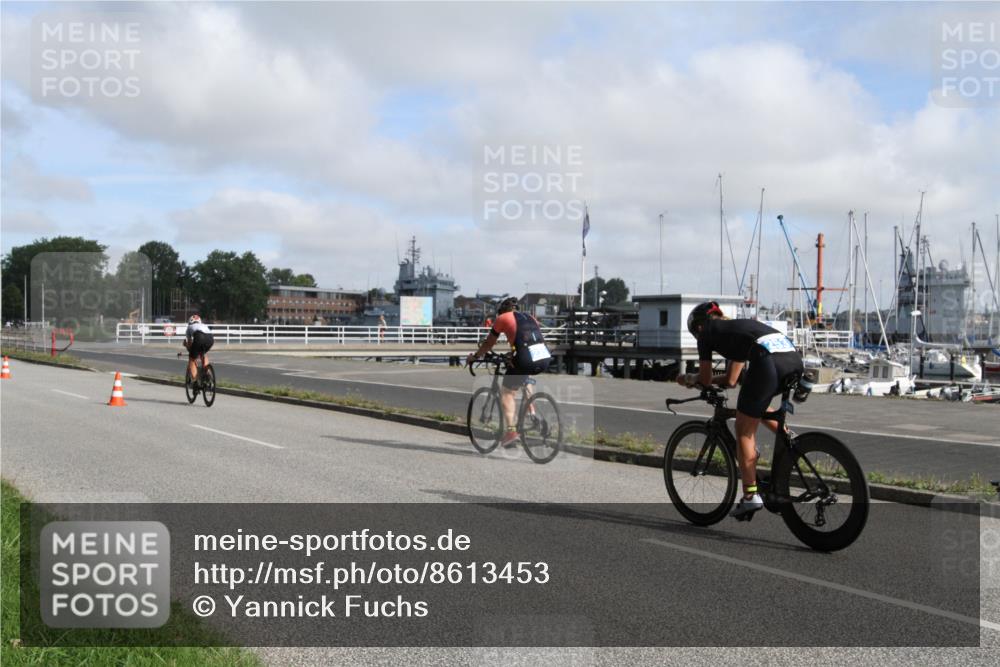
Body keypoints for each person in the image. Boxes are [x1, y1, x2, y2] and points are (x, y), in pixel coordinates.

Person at [679, 301, 803, 520]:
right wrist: (705, 380)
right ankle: (792, 440)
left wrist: (690, 379)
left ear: (698, 327)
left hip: (769, 362)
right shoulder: (737, 329)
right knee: (757, 404)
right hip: (793, 359)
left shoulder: (706, 334)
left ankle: (750, 497)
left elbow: (706, 380)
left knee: (744, 430)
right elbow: (731, 380)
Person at [467, 297, 552, 447]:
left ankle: (511, 431)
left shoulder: (502, 318)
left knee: (507, 392)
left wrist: (475, 357)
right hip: (543, 357)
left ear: (502, 310)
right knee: (524, 378)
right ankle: (532, 415)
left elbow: (489, 343)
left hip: (525, 357)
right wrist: (512, 354)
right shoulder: (529, 317)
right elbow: (529, 339)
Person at [183, 314, 214, 387]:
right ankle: (208, 373)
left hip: (199, 337)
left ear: (190, 322)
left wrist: (186, 345)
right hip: (210, 339)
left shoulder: (189, 328)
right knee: (203, 353)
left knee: (192, 359)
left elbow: (190, 345)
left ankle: (195, 381)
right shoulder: (203, 325)